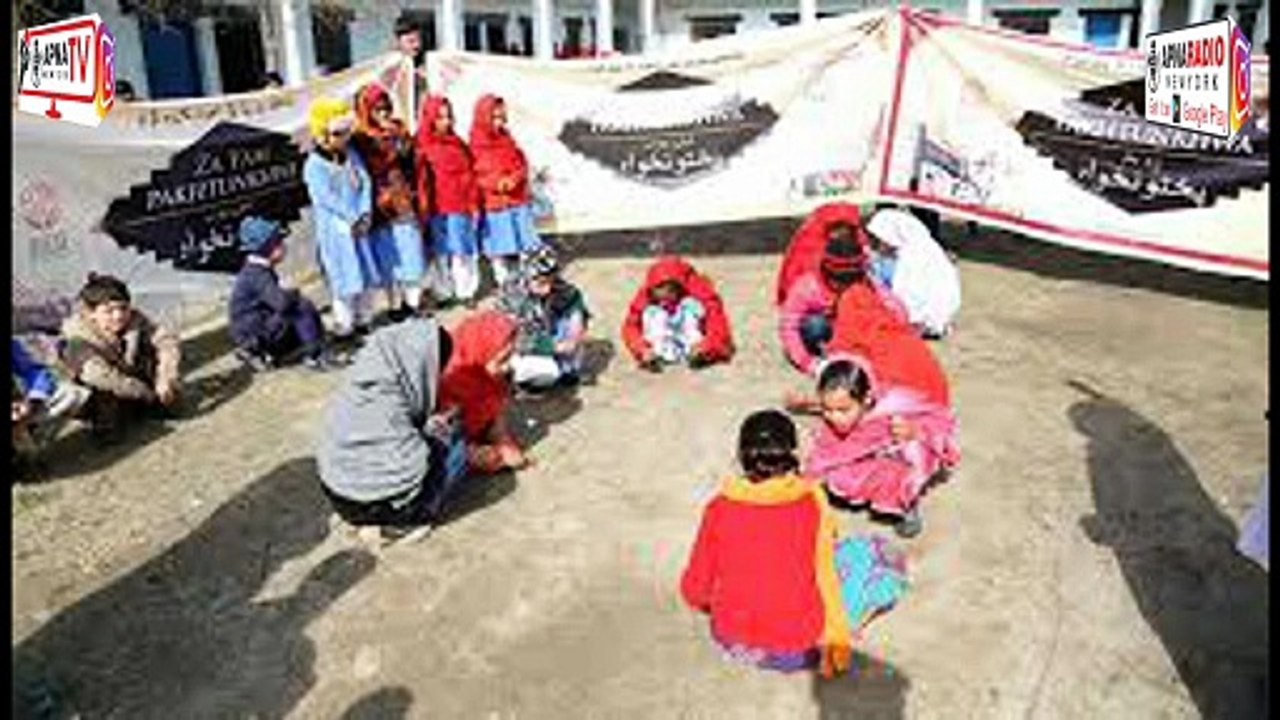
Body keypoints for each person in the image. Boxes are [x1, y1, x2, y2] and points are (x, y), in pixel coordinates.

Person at [680, 410, 855, 675]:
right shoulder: (812, 501)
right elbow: (826, 561)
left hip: (732, 640)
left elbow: (695, 589)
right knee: (869, 554)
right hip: (795, 651)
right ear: (792, 453)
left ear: (741, 457)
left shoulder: (719, 507)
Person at [317, 317, 469, 543]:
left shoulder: (366, 373)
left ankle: (366, 518)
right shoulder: (389, 403)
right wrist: (440, 429)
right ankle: (399, 526)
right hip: (373, 504)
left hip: (337, 492)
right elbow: (415, 463)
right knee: (457, 450)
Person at [789, 355, 959, 538]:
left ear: (867, 399)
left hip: (894, 460)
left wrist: (914, 432)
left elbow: (936, 422)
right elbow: (826, 451)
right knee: (834, 475)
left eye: (842, 410)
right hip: (865, 459)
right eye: (827, 409)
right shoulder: (839, 412)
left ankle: (907, 505)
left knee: (900, 471)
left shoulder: (892, 409)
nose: (834, 417)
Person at [778, 219, 906, 376]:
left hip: (852, 332)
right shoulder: (808, 286)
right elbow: (788, 326)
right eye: (839, 281)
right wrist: (808, 364)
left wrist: (896, 331)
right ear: (827, 273)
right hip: (826, 331)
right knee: (814, 325)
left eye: (850, 281)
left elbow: (894, 305)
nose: (844, 287)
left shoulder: (866, 282)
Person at [59, 274, 182, 436]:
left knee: (152, 356)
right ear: (91, 313)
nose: (118, 316)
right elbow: (97, 376)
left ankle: (149, 405)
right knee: (109, 421)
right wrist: (142, 392)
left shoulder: (136, 319)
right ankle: (107, 420)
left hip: (130, 378)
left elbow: (166, 342)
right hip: (104, 388)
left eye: (123, 308)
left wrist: (165, 378)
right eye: (109, 311)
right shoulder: (76, 338)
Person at [303, 96, 380, 340]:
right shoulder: (314, 165)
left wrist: (365, 211)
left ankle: (365, 318)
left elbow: (365, 181)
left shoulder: (351, 154)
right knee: (343, 279)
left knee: (365, 274)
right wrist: (352, 217)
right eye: (338, 133)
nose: (344, 138)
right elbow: (325, 197)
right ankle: (344, 325)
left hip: (360, 227)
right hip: (337, 233)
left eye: (346, 132)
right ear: (323, 134)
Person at [353, 81, 428, 320]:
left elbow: (411, 161)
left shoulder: (400, 130)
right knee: (388, 258)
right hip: (377, 206)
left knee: (410, 252)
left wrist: (400, 140)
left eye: (386, 107)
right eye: (377, 109)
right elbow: (370, 166)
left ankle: (413, 303)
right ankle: (394, 306)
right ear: (366, 111)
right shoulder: (360, 138)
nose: (384, 113)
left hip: (402, 200)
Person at [228, 215, 335, 372]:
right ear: (267, 248)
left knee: (299, 317)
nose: (284, 246)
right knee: (302, 307)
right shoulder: (257, 275)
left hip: (255, 325)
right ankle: (314, 355)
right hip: (254, 331)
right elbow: (281, 303)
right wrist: (293, 293)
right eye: (279, 242)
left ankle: (263, 350)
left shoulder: (256, 269)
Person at [437, 311, 531, 474]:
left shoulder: (489, 374)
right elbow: (436, 431)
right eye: (503, 360)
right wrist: (471, 454)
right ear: (481, 349)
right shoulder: (449, 376)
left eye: (510, 356)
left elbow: (495, 410)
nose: (508, 366)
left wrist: (501, 438)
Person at [470, 94, 544, 287]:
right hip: (495, 206)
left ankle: (528, 279)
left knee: (525, 243)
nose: (499, 123)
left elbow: (521, 163)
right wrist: (496, 184)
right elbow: (475, 175)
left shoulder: (507, 140)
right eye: (494, 118)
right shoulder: (475, 146)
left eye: (501, 118)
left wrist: (515, 179)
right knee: (499, 249)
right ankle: (504, 283)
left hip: (517, 201)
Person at [416, 96, 481, 307]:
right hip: (436, 209)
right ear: (429, 119)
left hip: (459, 207)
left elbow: (471, 174)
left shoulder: (458, 144)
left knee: (462, 251)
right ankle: (444, 292)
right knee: (440, 252)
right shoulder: (422, 145)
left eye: (448, 116)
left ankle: (466, 291)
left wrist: (473, 202)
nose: (446, 122)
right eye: (440, 117)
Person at [498, 247, 590, 391]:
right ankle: (524, 382)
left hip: (546, 334)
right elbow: (513, 337)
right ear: (528, 277)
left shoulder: (556, 286)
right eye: (541, 283)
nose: (548, 289)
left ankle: (567, 371)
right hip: (519, 348)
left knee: (572, 321)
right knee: (549, 373)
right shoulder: (512, 293)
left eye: (551, 281)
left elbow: (574, 299)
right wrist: (553, 347)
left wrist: (575, 328)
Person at [621, 255, 734, 372]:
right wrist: (642, 350)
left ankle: (696, 353)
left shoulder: (697, 291)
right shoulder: (647, 293)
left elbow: (716, 320)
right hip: (663, 337)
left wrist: (707, 346)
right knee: (651, 313)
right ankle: (659, 353)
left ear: (677, 289)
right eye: (660, 297)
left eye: (669, 295)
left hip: (691, 335)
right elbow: (631, 325)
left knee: (690, 306)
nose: (665, 300)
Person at [865, 208, 961, 339]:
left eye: (878, 239)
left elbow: (908, 298)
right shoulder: (922, 248)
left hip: (921, 318)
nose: (876, 244)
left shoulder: (913, 257)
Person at [12, 338, 90, 458]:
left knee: (73, 394)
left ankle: (34, 446)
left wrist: (33, 400)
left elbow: (32, 371)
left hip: (20, 408)